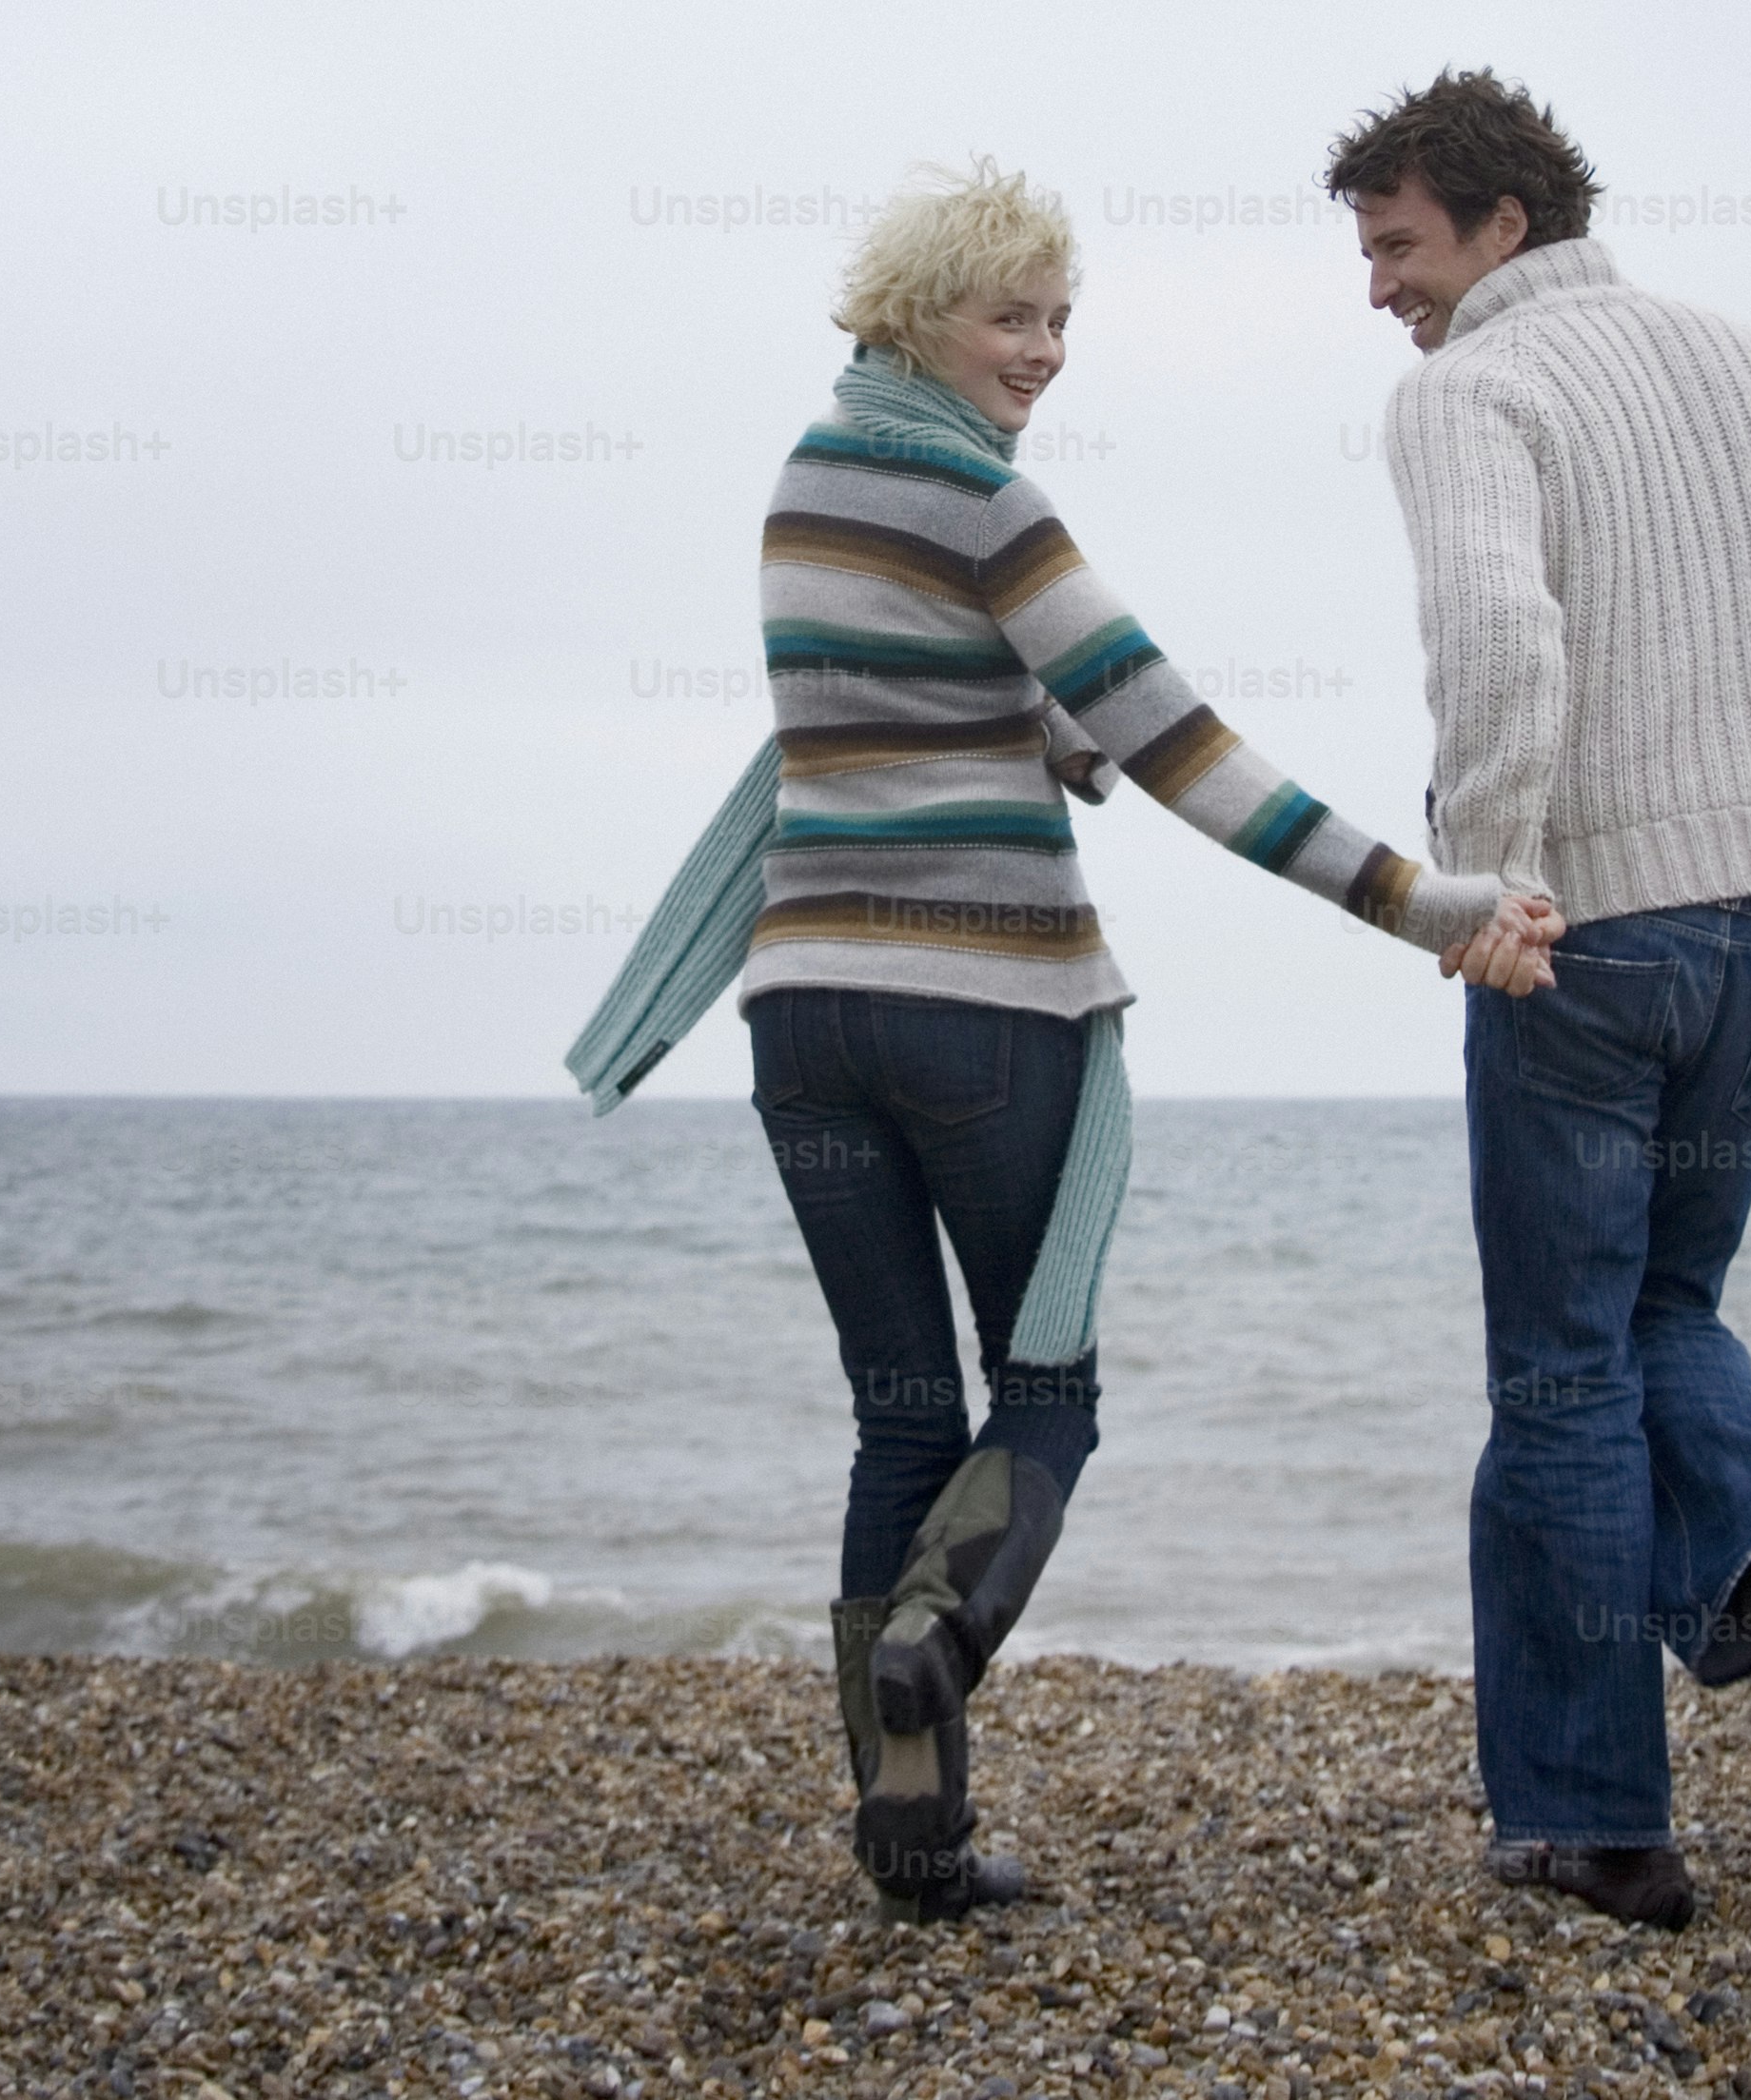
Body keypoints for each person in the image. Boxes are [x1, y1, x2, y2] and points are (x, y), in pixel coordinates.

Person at [567, 161, 1558, 1922]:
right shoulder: (985, 500)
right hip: (981, 1012)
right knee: (1047, 1390)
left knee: (897, 1423)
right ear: (917, 312)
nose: (1042, 354)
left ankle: (909, 1832)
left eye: (1060, 323)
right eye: (1011, 317)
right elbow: (1181, 743)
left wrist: (1048, 733)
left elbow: (893, 711)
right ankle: (940, 1638)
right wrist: (1423, 899)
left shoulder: (808, 484)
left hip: (800, 1015)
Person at [1330, 71, 1751, 1933]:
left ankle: (1594, 1821)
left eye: (1397, 246)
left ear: (1504, 225)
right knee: (1663, 1303)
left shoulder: (1468, 392)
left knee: (1557, 1367)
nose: (1375, 289)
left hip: (1582, 925)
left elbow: (1500, 634)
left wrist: (1489, 876)